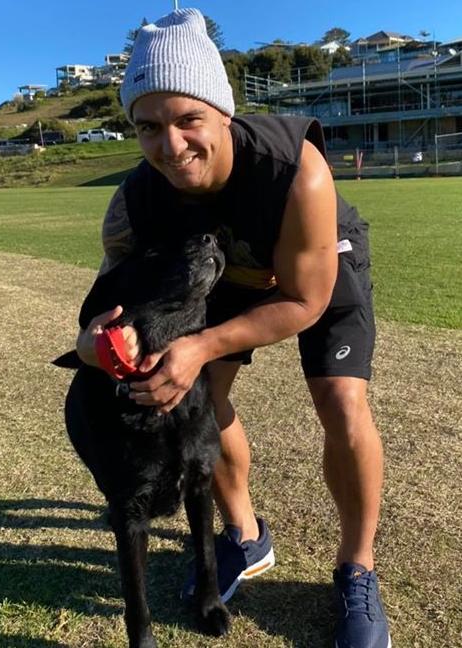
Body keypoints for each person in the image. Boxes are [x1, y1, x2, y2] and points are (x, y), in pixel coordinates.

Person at [76, 8, 390, 648]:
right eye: (148, 127)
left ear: (225, 112)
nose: (171, 145)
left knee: (340, 397)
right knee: (199, 396)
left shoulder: (294, 168)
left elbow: (303, 299)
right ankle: (245, 536)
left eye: (189, 120)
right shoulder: (134, 201)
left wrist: (200, 344)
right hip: (219, 274)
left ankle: (358, 571)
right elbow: (116, 299)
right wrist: (96, 344)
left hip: (313, 266)